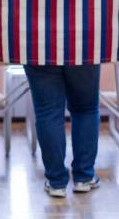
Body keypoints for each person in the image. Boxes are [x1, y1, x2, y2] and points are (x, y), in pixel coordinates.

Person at [23, 65, 101, 198]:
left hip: (37, 47)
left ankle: (56, 182)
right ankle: (84, 177)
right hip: (84, 46)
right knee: (85, 108)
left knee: (47, 112)